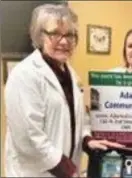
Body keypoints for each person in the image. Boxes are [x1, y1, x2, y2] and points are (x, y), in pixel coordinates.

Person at [4, 4, 124, 177]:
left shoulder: (70, 73)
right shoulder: (25, 75)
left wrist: (87, 140)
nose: (64, 41)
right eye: (55, 34)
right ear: (40, 36)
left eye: (70, 35)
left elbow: (74, 119)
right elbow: (29, 138)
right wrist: (68, 169)